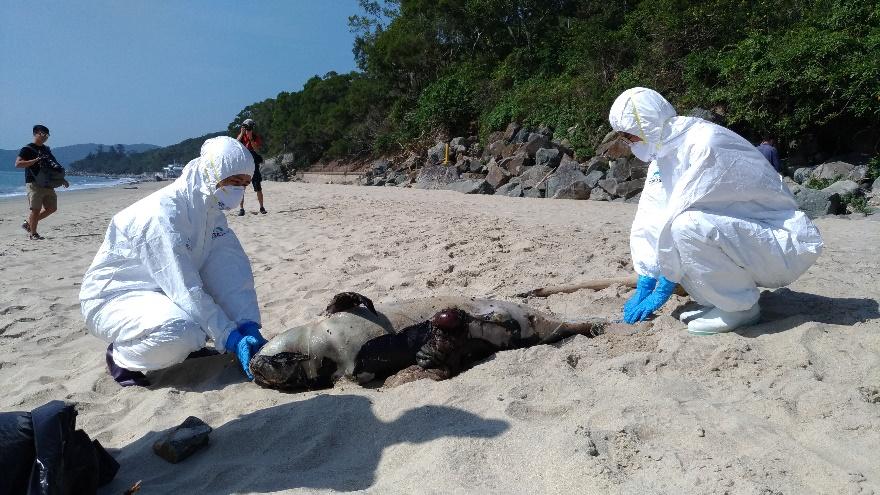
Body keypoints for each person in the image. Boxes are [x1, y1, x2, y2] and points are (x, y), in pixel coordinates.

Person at [610, 87, 824, 335]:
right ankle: (720, 301)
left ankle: (740, 308)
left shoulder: (705, 142)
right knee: (674, 235)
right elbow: (651, 215)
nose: (629, 142)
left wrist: (665, 283)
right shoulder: (664, 154)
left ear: (645, 124)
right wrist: (647, 275)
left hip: (780, 241)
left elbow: (684, 212)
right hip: (742, 239)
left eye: (630, 135)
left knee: (685, 226)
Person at [79, 136, 267, 386]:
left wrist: (247, 323)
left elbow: (229, 269)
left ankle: (189, 345)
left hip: (162, 292)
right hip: (115, 298)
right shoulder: (162, 214)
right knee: (181, 332)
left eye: (244, 184)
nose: (239, 190)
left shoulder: (210, 211)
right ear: (211, 173)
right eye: (233, 182)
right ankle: (122, 356)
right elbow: (183, 286)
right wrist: (228, 337)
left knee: (204, 322)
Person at [15, 124, 70, 240]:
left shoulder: (46, 149)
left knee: (52, 208)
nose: (45, 137)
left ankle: (28, 224)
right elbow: (18, 164)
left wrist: (61, 179)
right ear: (35, 134)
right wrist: (35, 160)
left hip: (47, 182)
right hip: (33, 183)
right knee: (35, 209)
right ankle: (33, 234)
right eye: (43, 134)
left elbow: (53, 166)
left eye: (47, 135)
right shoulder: (27, 149)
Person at [236, 118, 266, 216]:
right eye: (246, 127)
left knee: (258, 187)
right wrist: (241, 133)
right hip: (244, 166)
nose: (248, 129)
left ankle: (261, 207)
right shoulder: (241, 137)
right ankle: (241, 209)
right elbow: (235, 145)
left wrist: (251, 138)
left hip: (254, 165)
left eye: (249, 127)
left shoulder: (255, 137)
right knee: (241, 188)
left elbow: (257, 149)